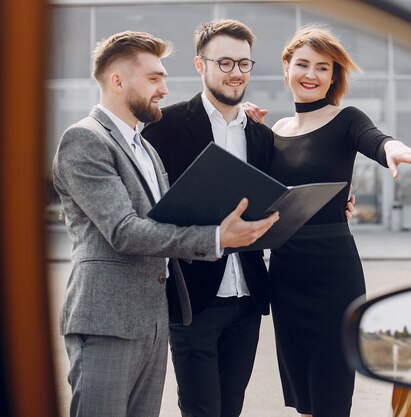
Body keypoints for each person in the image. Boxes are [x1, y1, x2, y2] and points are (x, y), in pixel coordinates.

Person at [52, 30, 278, 417]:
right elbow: (124, 231)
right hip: (108, 320)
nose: (164, 88)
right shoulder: (85, 139)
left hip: (153, 320)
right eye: (154, 78)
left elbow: (169, 218)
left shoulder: (144, 147)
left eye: (163, 78)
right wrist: (217, 238)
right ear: (117, 80)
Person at [142, 19, 357, 417]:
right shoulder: (164, 128)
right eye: (224, 63)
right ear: (200, 65)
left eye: (243, 63)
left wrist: (333, 203)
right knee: (202, 409)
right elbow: (146, 215)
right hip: (194, 300)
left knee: (232, 409)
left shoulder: (262, 136)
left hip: (248, 300)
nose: (235, 72)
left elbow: (285, 192)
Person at [243, 25, 411, 417]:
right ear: (286, 67)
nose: (311, 75)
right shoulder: (274, 131)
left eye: (322, 68)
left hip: (333, 273)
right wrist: (239, 119)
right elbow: (257, 194)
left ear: (333, 76)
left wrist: (396, 149)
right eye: (303, 64)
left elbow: (376, 139)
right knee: (304, 396)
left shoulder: (346, 119)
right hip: (287, 272)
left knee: (332, 393)